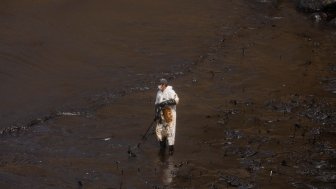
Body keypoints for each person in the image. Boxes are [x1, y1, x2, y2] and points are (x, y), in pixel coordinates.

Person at [154, 78, 179, 155]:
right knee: (160, 131)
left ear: (164, 85)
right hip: (161, 115)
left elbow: (176, 100)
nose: (160, 86)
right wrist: (156, 114)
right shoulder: (158, 93)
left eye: (161, 84)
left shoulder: (170, 91)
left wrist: (166, 102)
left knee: (170, 131)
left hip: (169, 114)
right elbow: (156, 104)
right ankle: (162, 149)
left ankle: (171, 150)